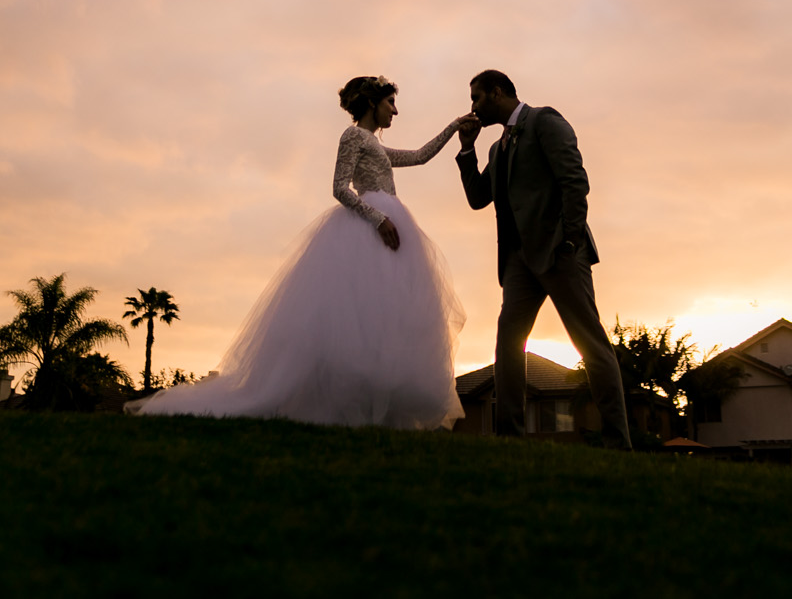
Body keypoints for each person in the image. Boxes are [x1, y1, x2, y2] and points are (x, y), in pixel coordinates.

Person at [129, 75, 465, 428]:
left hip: (390, 224)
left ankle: (380, 411)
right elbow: (340, 188)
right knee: (359, 318)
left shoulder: (375, 145)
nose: (395, 111)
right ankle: (348, 405)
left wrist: (455, 126)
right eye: (389, 103)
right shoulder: (352, 136)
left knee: (388, 319)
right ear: (371, 104)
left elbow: (419, 156)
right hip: (368, 227)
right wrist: (377, 218)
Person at [456, 69, 631, 448]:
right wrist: (467, 149)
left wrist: (569, 240)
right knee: (507, 344)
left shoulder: (545, 122)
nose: (472, 107)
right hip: (519, 262)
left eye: (477, 98)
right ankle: (510, 439)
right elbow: (477, 198)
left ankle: (619, 442)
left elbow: (574, 181)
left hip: (559, 252)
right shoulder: (496, 148)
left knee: (591, 343)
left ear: (497, 92)